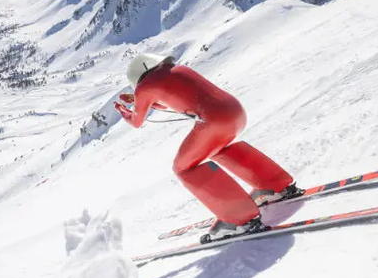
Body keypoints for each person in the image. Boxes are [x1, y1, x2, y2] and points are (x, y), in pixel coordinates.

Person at [114, 53, 301, 241]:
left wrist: (125, 111)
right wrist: (139, 100)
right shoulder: (176, 69)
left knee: (183, 167)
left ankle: (239, 218)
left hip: (212, 120)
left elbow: (136, 121)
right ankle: (274, 185)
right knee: (218, 148)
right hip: (235, 112)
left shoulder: (144, 87)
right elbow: (167, 97)